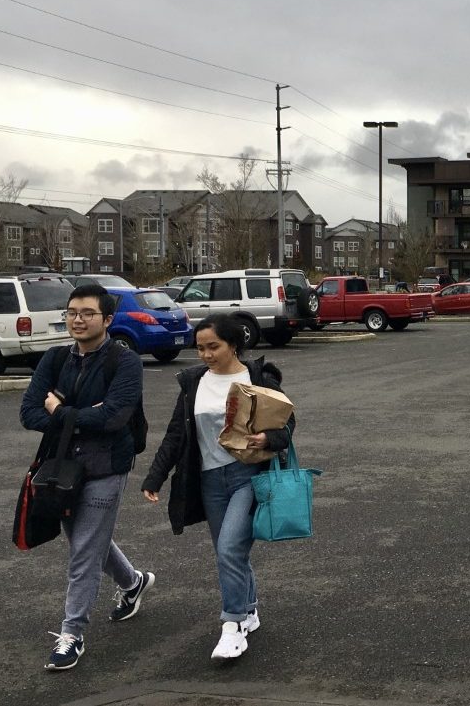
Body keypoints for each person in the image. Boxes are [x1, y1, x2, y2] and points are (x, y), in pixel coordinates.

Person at [140, 314, 294, 660]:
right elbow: (176, 434)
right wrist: (156, 476)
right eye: (200, 348)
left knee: (228, 548)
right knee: (231, 551)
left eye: (214, 347)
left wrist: (267, 437)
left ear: (233, 345)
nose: (206, 354)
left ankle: (233, 626)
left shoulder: (257, 377)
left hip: (248, 477)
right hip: (209, 481)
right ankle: (249, 608)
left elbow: (287, 425)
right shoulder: (194, 382)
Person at [20, 284, 155, 671]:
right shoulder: (55, 358)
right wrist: (79, 416)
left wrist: (60, 412)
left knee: (83, 550)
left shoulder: (124, 362)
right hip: (61, 466)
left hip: (107, 466)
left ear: (107, 319)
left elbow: (114, 417)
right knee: (86, 539)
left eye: (87, 313)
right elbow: (29, 412)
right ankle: (133, 583)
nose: (77, 319)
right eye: (72, 312)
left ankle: (72, 635)